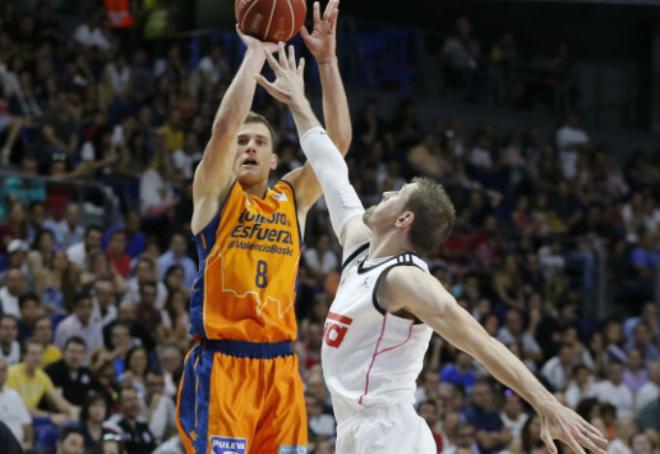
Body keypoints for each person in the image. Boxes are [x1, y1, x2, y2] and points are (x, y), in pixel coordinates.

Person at [258, 43, 608, 454]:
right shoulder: (359, 247)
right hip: (353, 429)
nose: (386, 192)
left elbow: (480, 341)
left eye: (397, 194)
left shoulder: (405, 279)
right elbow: (332, 169)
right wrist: (304, 94)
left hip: (390, 434)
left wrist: (546, 404)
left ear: (404, 220)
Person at [175, 1, 352, 452]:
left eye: (260, 143)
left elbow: (338, 145)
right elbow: (223, 128)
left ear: (275, 159)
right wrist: (256, 51)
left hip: (280, 367)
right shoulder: (214, 196)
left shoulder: (291, 198)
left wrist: (326, 64)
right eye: (243, 143)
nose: (249, 148)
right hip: (223, 365)